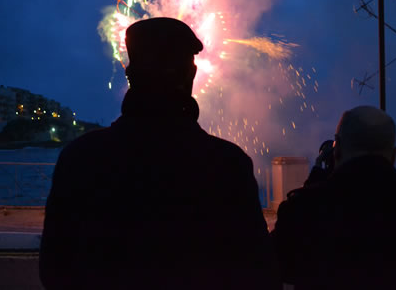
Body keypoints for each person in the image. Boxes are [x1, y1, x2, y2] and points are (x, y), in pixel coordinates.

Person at [39, 17, 281, 290]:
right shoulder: (227, 163)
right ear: (190, 74)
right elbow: (261, 277)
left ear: (129, 73)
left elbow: (54, 270)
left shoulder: (80, 158)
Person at [271, 105, 396, 290]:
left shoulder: (302, 210)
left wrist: (315, 181)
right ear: (394, 154)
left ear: (337, 150)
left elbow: (275, 266)